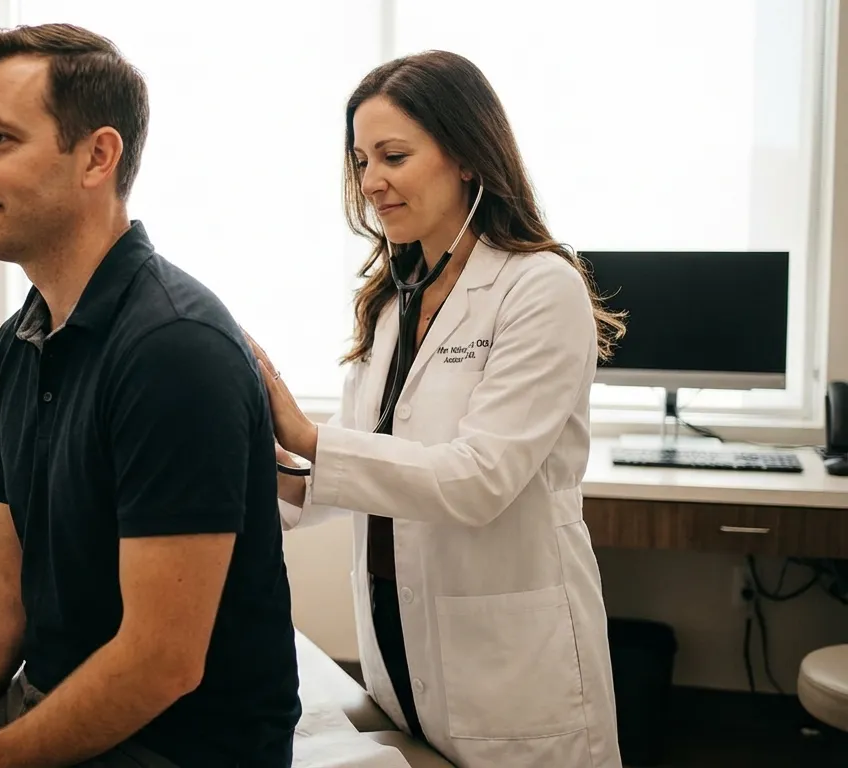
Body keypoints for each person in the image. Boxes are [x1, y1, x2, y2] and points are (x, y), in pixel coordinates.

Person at [0, 23, 301, 768]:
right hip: (50, 697)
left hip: (179, 746)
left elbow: (162, 663)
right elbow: (7, 584)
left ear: (97, 156)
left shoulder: (174, 351)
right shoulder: (19, 346)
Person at [243, 50, 626, 768]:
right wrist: (243, 465)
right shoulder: (396, 298)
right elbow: (366, 474)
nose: (370, 182)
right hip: (400, 644)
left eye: (393, 155)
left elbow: (477, 480)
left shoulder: (540, 288)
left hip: (511, 668)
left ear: (468, 158)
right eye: (360, 160)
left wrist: (306, 436)